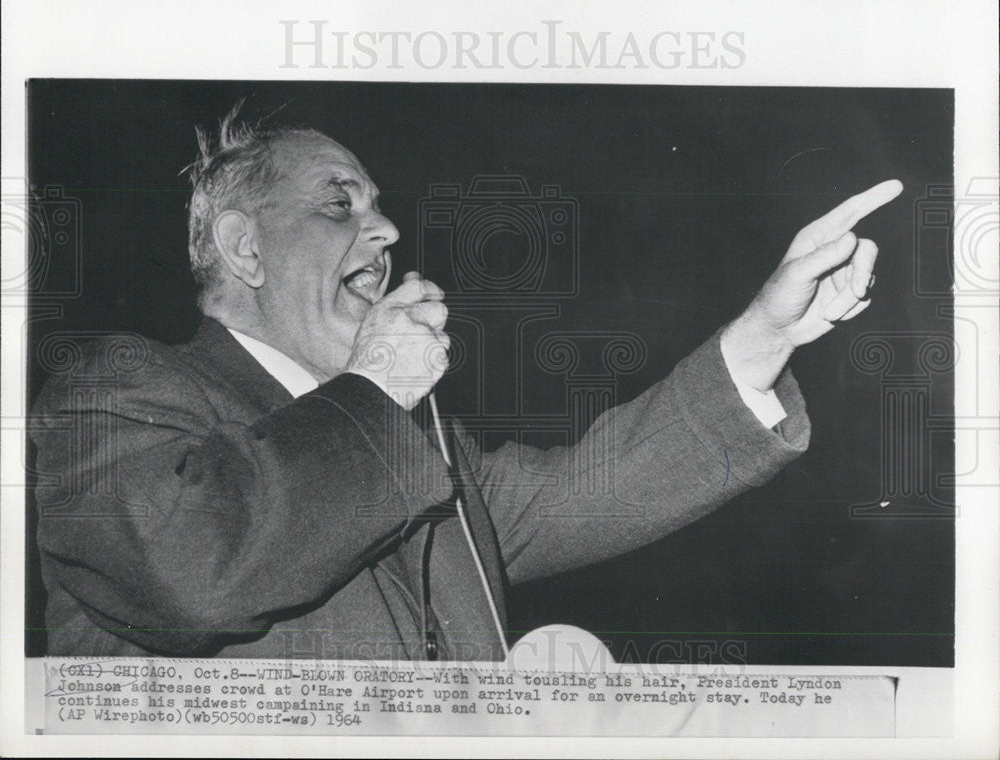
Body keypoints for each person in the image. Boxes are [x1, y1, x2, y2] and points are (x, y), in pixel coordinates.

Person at [30, 106, 901, 661]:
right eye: (340, 205)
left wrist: (766, 334)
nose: (387, 228)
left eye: (378, 205)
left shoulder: (420, 448)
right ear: (245, 248)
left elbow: (590, 490)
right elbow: (189, 572)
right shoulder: (115, 386)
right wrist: (374, 389)